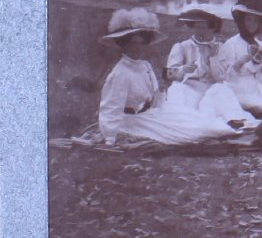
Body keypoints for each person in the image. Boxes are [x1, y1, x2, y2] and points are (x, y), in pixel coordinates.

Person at [97, 8, 237, 145]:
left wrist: (163, 110)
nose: (137, 48)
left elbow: (155, 95)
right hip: (132, 121)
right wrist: (110, 139)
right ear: (124, 45)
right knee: (191, 132)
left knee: (191, 118)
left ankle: (227, 127)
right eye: (133, 43)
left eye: (141, 43)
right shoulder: (120, 73)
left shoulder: (144, 65)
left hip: (151, 114)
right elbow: (110, 107)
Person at [163, 8, 250, 125]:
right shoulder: (182, 47)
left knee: (222, 90)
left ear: (213, 28)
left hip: (211, 89)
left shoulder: (222, 48)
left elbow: (221, 77)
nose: (200, 31)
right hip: (190, 88)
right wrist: (183, 69)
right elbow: (169, 75)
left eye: (205, 27)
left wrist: (213, 58)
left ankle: (233, 122)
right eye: (197, 27)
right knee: (181, 94)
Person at [216, 0, 262, 119]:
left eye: (256, 21)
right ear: (241, 21)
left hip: (259, 91)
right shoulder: (231, 44)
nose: (252, 24)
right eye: (248, 19)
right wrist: (238, 64)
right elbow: (226, 77)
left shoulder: (261, 45)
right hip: (239, 92)